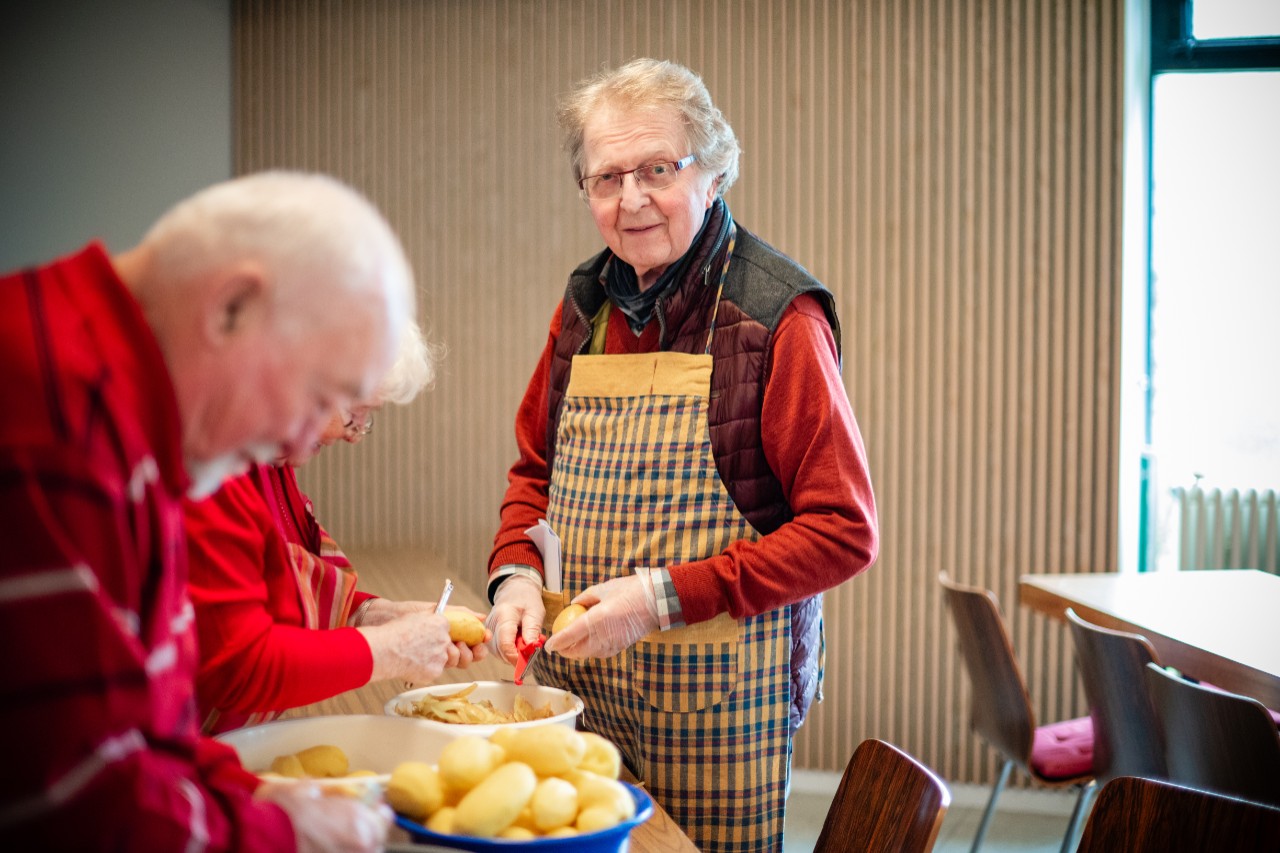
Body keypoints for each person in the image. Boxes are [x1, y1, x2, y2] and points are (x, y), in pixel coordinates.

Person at [484, 59, 879, 852]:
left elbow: (844, 531)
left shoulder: (777, 316)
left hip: (719, 708)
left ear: (715, 170)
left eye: (657, 169)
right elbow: (535, 473)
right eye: (606, 178)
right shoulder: (584, 305)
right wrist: (516, 573)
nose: (631, 200)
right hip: (579, 686)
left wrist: (662, 597)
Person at [0, 171, 416, 852]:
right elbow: (77, 804)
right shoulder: (53, 421)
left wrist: (247, 793)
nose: (301, 439)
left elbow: (150, 731)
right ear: (231, 308)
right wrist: (276, 828)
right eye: (319, 394)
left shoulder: (139, 422)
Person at [186, 320, 490, 735]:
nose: (355, 436)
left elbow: (289, 586)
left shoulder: (274, 461)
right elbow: (239, 667)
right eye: (354, 413)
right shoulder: (217, 465)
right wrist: (393, 649)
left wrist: (379, 615)